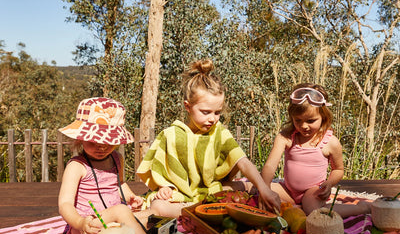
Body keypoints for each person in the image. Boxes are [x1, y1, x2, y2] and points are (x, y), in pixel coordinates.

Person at [137, 59, 280, 218]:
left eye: (217, 112)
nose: (212, 118)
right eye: (206, 112)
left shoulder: (219, 132)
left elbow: (243, 162)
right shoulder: (171, 135)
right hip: (182, 197)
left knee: (249, 187)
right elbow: (162, 173)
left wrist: (263, 188)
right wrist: (165, 188)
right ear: (188, 107)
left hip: (213, 190)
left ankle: (197, 210)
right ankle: (205, 209)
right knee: (158, 205)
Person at [58, 97, 189, 234]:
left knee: (156, 211)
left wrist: (131, 197)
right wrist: (80, 223)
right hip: (88, 228)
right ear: (80, 138)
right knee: (120, 211)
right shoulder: (77, 166)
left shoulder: (116, 159)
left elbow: (119, 184)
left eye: (108, 141)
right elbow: (65, 204)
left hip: (114, 222)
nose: (102, 146)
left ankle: (191, 213)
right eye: (94, 140)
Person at [261, 83, 370, 217]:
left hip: (313, 192)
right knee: (256, 188)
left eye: (311, 121)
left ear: (323, 117)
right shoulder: (286, 137)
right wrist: (264, 189)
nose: (303, 126)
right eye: (298, 120)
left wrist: (329, 183)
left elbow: (338, 170)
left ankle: (361, 208)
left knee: (314, 213)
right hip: (288, 191)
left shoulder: (330, 142)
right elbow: (270, 166)